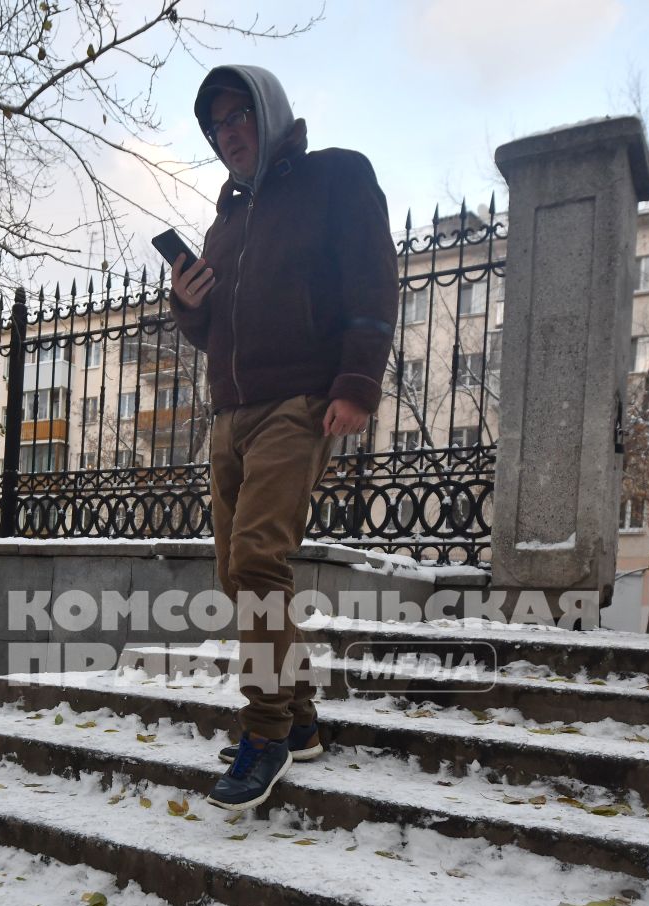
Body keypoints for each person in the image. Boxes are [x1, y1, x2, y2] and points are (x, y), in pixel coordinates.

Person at [168, 66, 398, 812]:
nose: (228, 133)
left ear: (270, 112)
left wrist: (357, 385)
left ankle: (263, 732)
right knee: (238, 575)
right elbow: (213, 334)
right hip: (230, 411)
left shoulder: (336, 178)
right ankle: (298, 719)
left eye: (239, 116)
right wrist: (187, 305)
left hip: (299, 400)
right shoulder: (225, 219)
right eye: (216, 126)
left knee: (261, 559)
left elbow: (372, 280)